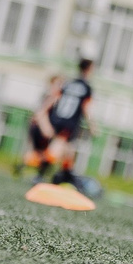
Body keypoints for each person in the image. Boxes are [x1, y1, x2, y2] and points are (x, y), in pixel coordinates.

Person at [24, 57, 99, 202]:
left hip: (57, 119)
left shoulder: (68, 83)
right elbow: (86, 107)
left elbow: (53, 98)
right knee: (56, 151)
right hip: (68, 123)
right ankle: (39, 171)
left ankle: (64, 177)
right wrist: (93, 125)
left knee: (68, 152)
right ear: (89, 69)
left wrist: (42, 113)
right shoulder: (86, 87)